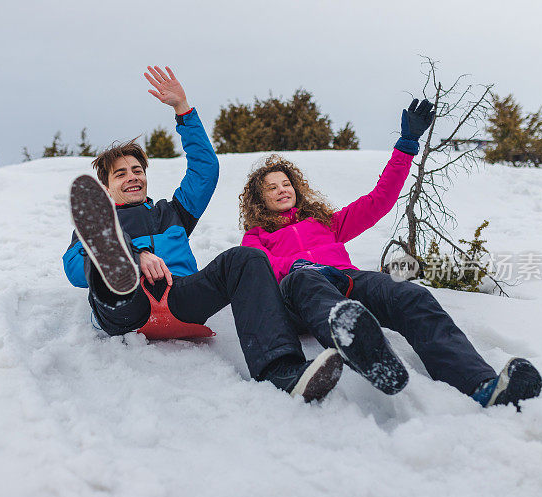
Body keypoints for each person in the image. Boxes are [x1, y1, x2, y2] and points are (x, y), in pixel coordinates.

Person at [63, 66, 347, 402]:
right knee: (104, 256)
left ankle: (282, 369)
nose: (132, 177)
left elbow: (205, 170)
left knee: (247, 258)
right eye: (121, 174)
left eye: (137, 170)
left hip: (180, 296)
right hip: (125, 305)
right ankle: (119, 265)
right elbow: (72, 269)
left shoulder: (172, 213)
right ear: (107, 188)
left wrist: (183, 110)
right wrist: (136, 257)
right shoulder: (94, 224)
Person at [238, 98, 542, 408]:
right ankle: (369, 354)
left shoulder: (325, 223)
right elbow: (257, 267)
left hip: (347, 282)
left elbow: (379, 200)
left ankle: (481, 384)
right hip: (299, 294)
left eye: (286, 183)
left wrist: (407, 144)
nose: (281, 190)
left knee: (412, 296)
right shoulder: (256, 235)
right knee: (306, 280)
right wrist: (298, 265)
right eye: (271, 187)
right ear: (259, 199)